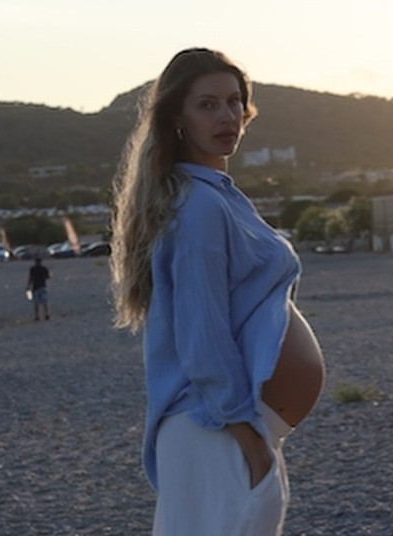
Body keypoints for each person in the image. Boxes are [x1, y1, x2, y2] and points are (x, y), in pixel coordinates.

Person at [109, 48, 326, 536]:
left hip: (225, 425)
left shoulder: (214, 196)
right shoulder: (200, 207)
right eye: (207, 105)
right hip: (216, 427)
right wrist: (249, 441)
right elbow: (201, 333)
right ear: (178, 119)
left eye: (233, 102)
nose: (226, 116)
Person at [26, 256, 50, 321]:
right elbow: (47, 277)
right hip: (43, 286)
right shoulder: (44, 268)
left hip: (35, 287)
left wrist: (28, 286)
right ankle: (46, 314)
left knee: (36, 303)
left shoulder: (32, 269)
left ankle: (37, 316)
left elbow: (31, 278)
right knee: (45, 301)